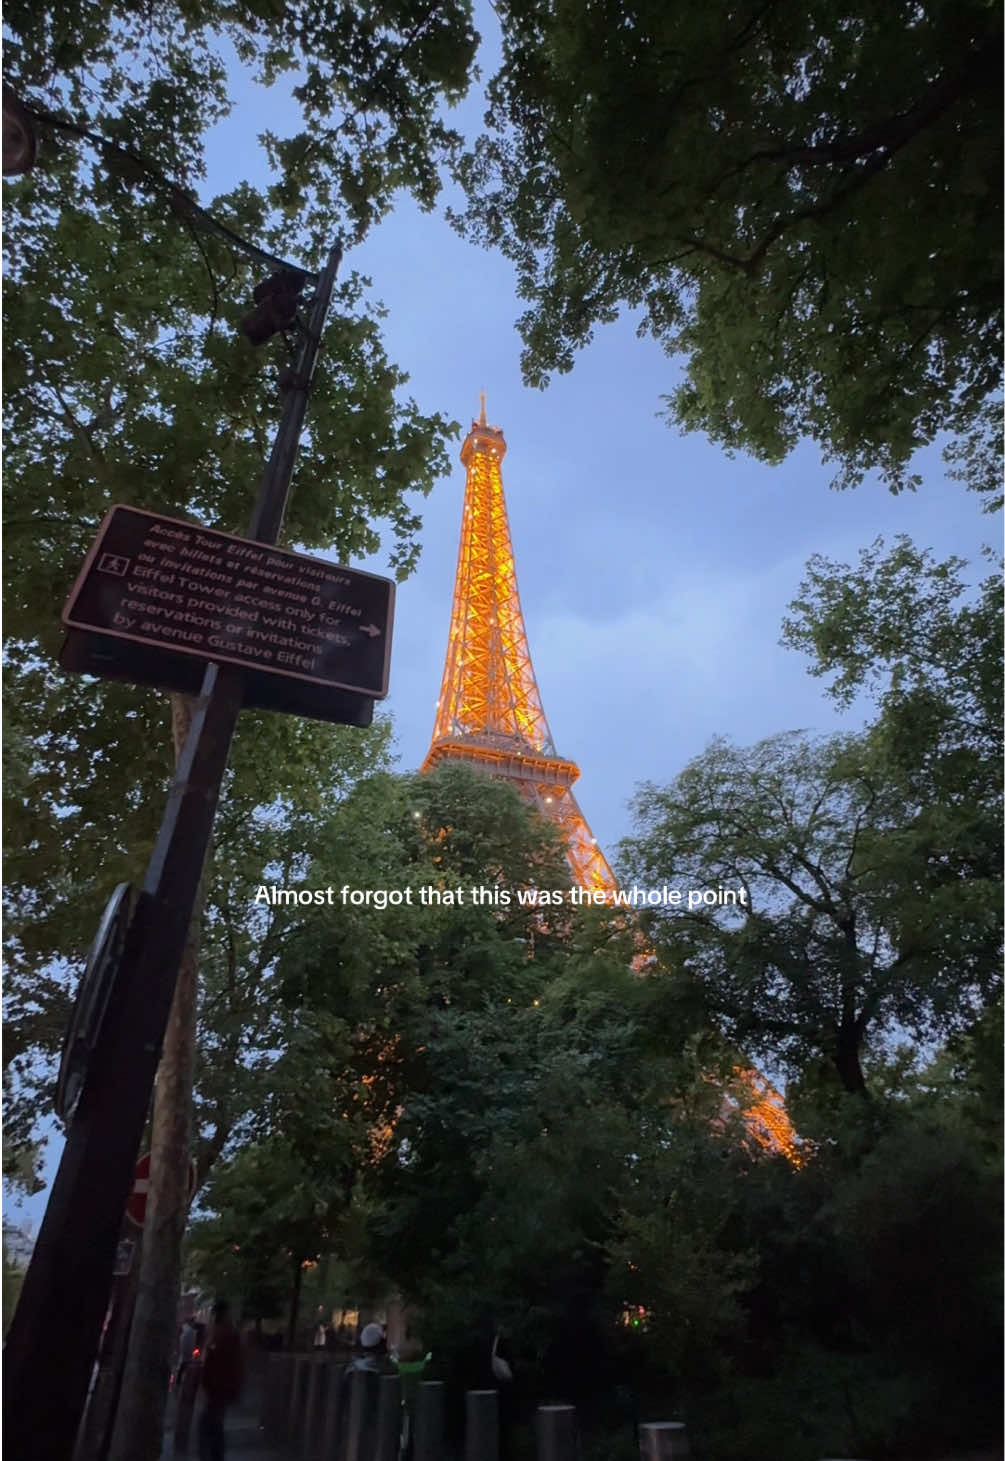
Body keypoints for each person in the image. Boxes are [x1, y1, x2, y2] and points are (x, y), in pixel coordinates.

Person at [198, 1299, 244, 1461]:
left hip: (218, 1388)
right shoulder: (226, 1333)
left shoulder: (223, 1334)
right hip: (219, 1388)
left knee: (209, 1426)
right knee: (212, 1425)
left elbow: (219, 1362)